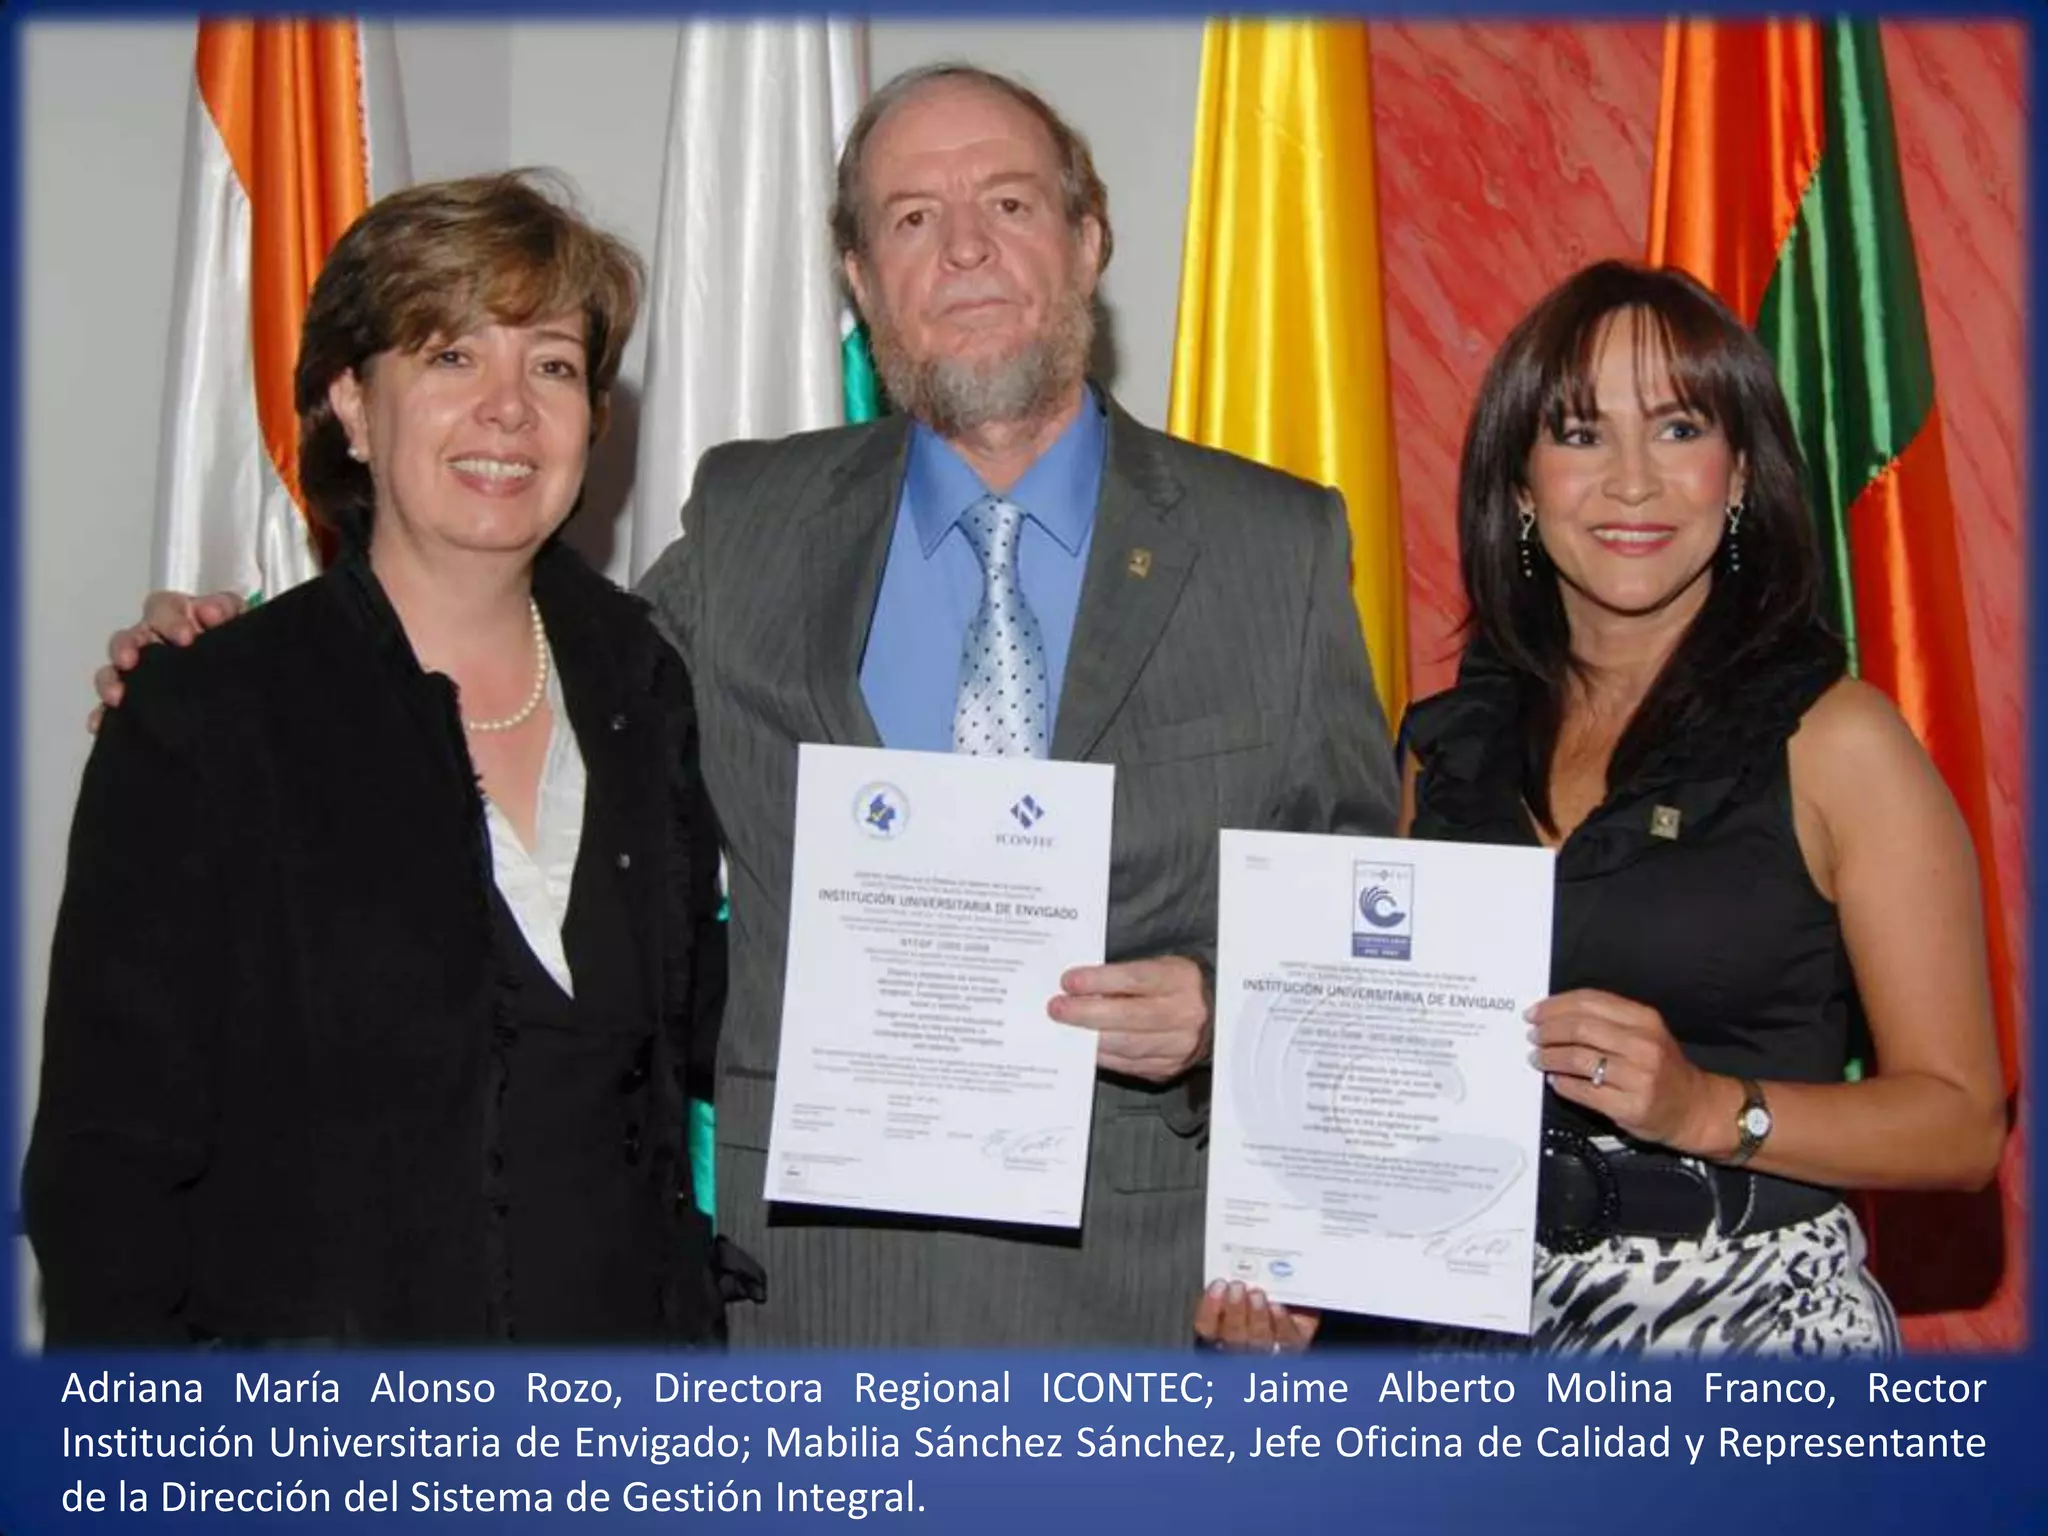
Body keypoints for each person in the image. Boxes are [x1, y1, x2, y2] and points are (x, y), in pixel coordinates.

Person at [96, 64, 1400, 1347]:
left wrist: (1223, 1011)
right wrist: (242, 654)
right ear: (857, 278)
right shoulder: (749, 524)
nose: (962, 251)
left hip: (1141, 1318)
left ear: (1088, 238)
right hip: (804, 1327)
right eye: (909, 218)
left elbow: (1360, 938)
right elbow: (515, 661)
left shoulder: (1271, 551)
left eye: (1008, 205)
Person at [1197, 260, 2004, 1355]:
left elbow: (1959, 1124)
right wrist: (1316, 1296)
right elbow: (1380, 1101)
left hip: (1744, 1331)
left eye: (1676, 430)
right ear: (1520, 488)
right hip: (1460, 1345)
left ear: (1735, 476)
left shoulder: (1837, 741)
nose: (1631, 481)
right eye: (1578, 435)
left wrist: (1707, 1108)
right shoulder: (1440, 752)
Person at [33, 171, 726, 1344]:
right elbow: (109, 1174)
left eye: (552, 365)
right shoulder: (213, 717)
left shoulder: (646, 687)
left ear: (593, 421)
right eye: (451, 356)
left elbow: (698, 1044)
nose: (509, 409)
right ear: (351, 403)